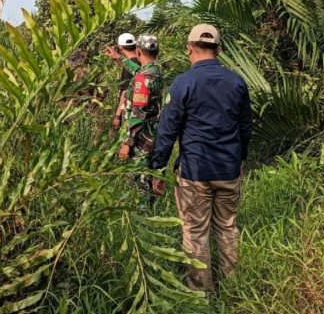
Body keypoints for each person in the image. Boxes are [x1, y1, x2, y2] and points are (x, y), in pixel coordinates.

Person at [151, 24, 252, 292]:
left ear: (189, 48)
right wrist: (240, 160)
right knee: (227, 229)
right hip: (229, 170)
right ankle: (234, 288)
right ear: (219, 50)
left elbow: (167, 130)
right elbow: (245, 128)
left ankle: (200, 296)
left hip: (195, 172)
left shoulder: (183, 83)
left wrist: (157, 168)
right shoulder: (237, 82)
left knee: (195, 233)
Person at [119, 35, 166, 196]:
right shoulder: (156, 71)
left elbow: (138, 114)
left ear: (138, 51)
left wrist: (128, 142)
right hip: (153, 135)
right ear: (157, 52)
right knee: (149, 178)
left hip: (141, 140)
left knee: (140, 184)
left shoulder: (143, 78)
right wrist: (118, 58)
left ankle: (144, 217)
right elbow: (136, 69)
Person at [104, 33, 140, 130]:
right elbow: (130, 67)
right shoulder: (140, 61)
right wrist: (117, 58)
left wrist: (117, 116)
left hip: (130, 111)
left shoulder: (130, 65)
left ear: (120, 47)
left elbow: (125, 92)